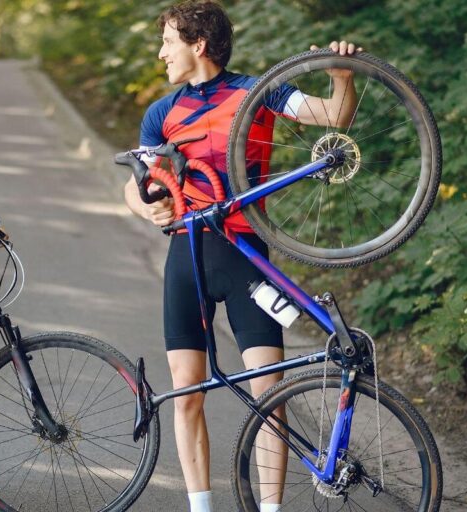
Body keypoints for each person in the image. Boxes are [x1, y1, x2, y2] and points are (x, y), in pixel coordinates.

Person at [121, 2, 361, 511]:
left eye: (168, 41)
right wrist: (148, 212)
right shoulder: (161, 114)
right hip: (186, 260)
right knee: (186, 395)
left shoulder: (260, 90)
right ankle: (201, 506)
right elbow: (136, 185)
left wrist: (343, 78)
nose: (161, 52)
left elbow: (334, 118)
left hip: (248, 256)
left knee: (268, 397)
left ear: (198, 45)